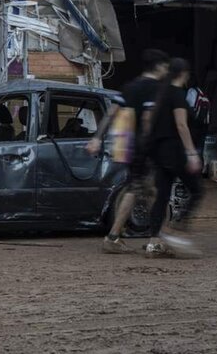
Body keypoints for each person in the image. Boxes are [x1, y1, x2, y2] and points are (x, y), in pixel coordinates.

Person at [87, 49, 169, 254]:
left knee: (137, 190)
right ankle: (156, 238)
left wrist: (97, 137)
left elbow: (110, 114)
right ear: (159, 66)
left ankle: (115, 237)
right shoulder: (156, 89)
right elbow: (150, 120)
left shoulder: (130, 87)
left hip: (132, 149)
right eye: (166, 67)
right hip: (148, 148)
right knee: (151, 191)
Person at [144, 58, 204, 258]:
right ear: (184, 74)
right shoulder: (177, 95)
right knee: (197, 190)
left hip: (160, 152)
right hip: (175, 151)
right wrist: (191, 152)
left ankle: (154, 241)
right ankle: (176, 228)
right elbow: (181, 125)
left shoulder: (162, 94)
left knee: (162, 196)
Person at [185, 78, 210, 162]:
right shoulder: (203, 93)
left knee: (192, 148)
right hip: (203, 124)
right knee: (200, 148)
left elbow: (190, 107)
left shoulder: (191, 91)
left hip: (194, 124)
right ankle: (199, 168)